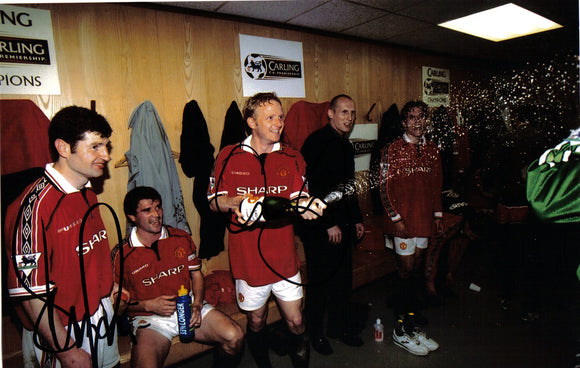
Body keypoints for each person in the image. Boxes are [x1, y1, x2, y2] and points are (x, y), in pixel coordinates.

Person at [208, 92, 326, 368]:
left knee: (297, 322)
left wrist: (309, 207)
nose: (278, 123)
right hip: (248, 261)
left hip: (284, 259)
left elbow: (300, 199)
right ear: (251, 122)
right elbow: (213, 202)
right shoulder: (228, 156)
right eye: (270, 117)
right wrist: (239, 202)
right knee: (257, 320)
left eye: (280, 117)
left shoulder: (293, 157)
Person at [4, 106, 120, 368]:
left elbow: (86, 252)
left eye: (106, 146)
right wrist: (66, 351)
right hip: (61, 332)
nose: (106, 155)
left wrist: (108, 285)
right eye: (95, 147)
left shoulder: (87, 192)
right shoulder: (31, 209)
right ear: (64, 148)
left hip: (100, 317)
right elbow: (30, 293)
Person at [112, 186, 244, 368]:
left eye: (158, 207)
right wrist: (149, 305)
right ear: (132, 217)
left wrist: (197, 304)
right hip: (150, 320)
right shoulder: (121, 254)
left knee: (234, 337)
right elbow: (117, 306)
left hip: (187, 306)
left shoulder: (180, 238)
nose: (156, 214)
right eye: (147, 210)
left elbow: (196, 275)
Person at [299, 94, 365, 355]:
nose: (349, 118)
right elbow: (307, 188)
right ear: (330, 113)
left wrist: (357, 218)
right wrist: (327, 224)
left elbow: (349, 187)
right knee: (319, 284)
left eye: (352, 113)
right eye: (344, 112)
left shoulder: (346, 146)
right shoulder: (315, 142)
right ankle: (315, 335)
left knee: (342, 282)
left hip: (343, 226)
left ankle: (338, 329)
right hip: (319, 228)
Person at [379, 100, 442, 356]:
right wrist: (396, 218)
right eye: (411, 118)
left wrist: (437, 214)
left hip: (424, 220)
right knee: (405, 268)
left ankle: (411, 320)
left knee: (415, 268)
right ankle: (401, 326)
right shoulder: (391, 149)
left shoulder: (433, 150)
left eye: (421, 117)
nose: (417, 121)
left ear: (426, 120)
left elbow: (437, 185)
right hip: (402, 223)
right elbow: (383, 188)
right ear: (404, 123)